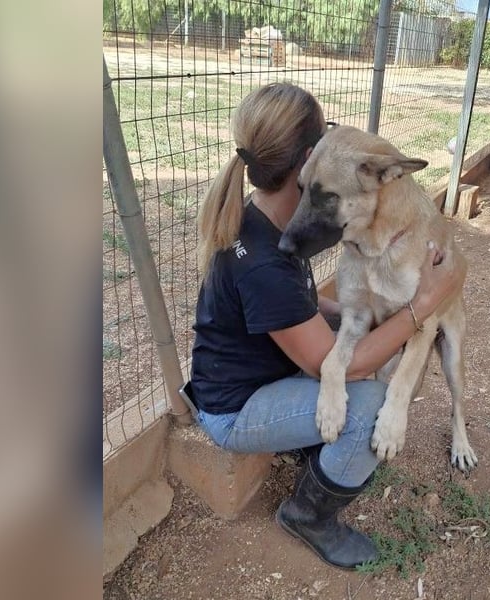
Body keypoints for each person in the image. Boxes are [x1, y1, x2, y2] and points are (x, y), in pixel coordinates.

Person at [191, 82, 461, 569]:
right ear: (311, 157)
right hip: (234, 410)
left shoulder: (269, 222)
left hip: (264, 372)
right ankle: (308, 515)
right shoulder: (262, 264)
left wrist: (358, 314)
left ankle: (312, 449)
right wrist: (424, 304)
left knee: (361, 343)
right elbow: (348, 365)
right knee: (370, 404)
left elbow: (300, 309)